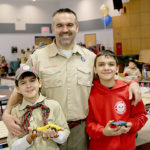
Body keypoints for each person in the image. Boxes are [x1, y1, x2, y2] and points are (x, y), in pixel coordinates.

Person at [3, 8, 141, 150]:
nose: (65, 29)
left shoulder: (90, 58)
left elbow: (110, 77)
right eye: (60, 25)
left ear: (76, 27)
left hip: (79, 131)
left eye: (69, 25)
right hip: (46, 130)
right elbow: (21, 88)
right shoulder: (37, 57)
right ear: (53, 29)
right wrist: (7, 114)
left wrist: (132, 83)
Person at [86, 50, 147, 150]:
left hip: (126, 146)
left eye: (111, 64)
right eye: (101, 64)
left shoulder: (130, 91)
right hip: (100, 146)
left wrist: (131, 125)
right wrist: (103, 131)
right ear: (95, 69)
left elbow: (141, 116)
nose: (106, 68)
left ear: (117, 68)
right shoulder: (90, 93)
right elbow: (89, 124)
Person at [7, 65, 70, 150]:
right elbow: (13, 147)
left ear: (40, 83)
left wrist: (56, 135)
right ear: (17, 88)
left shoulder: (53, 106)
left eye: (32, 80)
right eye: (23, 83)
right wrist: (29, 138)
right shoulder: (15, 111)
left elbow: (65, 133)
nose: (28, 86)